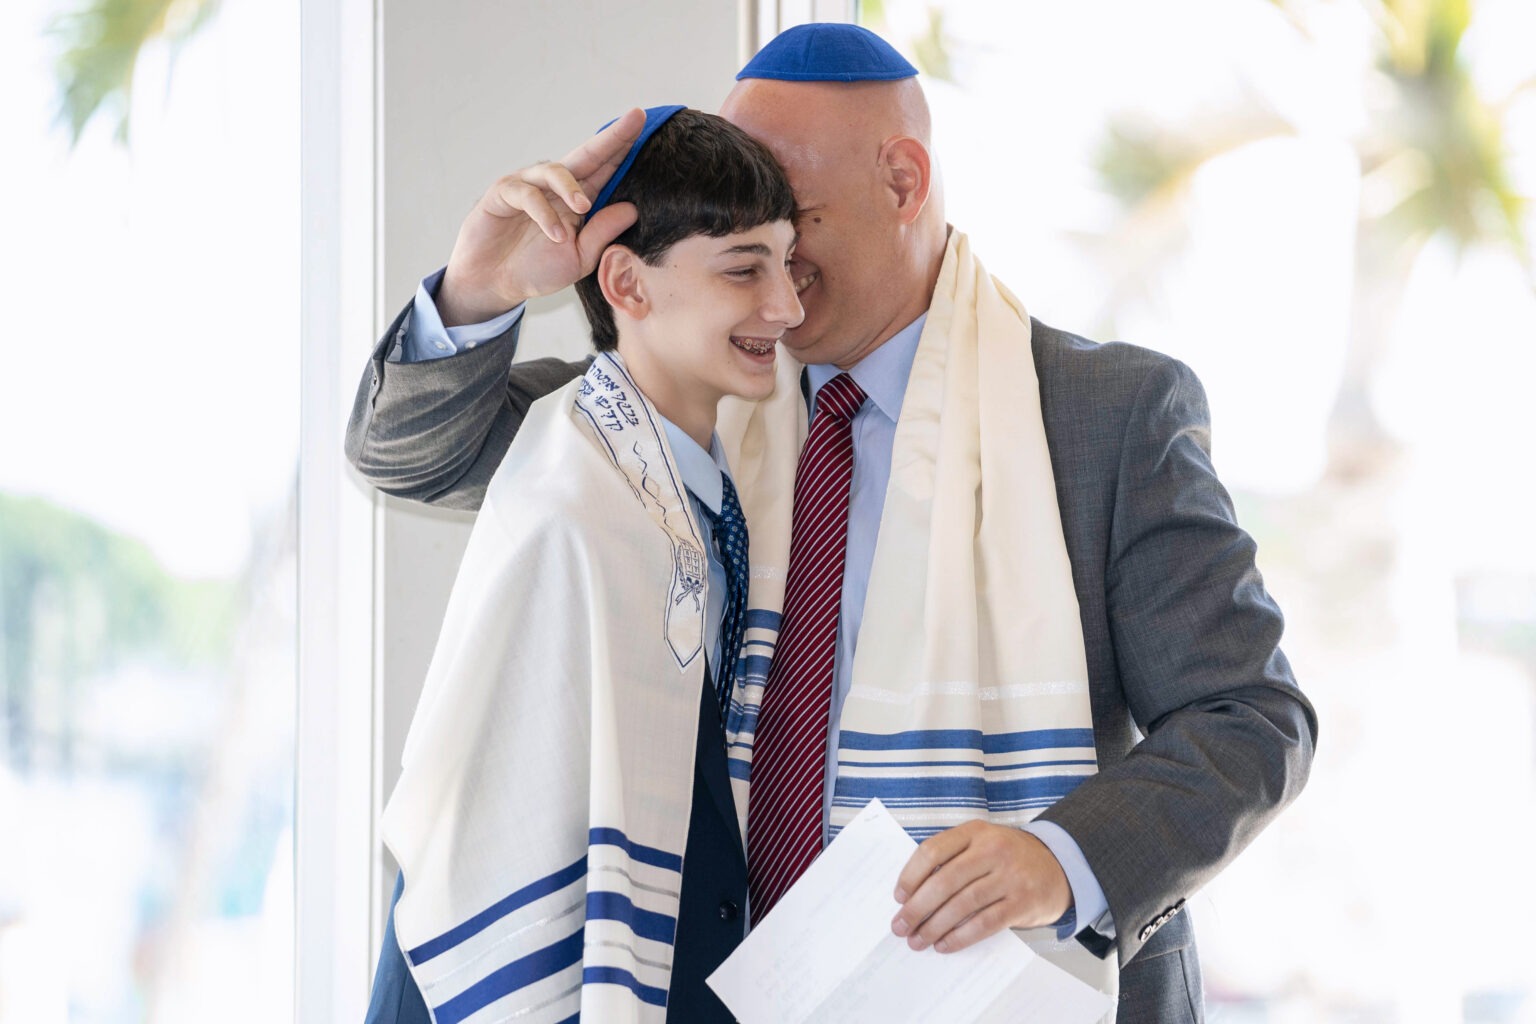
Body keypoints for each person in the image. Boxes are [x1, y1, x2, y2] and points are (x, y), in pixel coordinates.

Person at [348, 24, 1317, 1024]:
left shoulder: (1101, 414)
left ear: (902, 182)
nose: (777, 275)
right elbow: (405, 454)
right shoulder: (670, 403)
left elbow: (1251, 718)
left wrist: (1057, 860)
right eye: (743, 240)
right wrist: (485, 286)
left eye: (792, 220)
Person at [362, 106, 802, 1024]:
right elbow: (398, 450)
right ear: (627, 285)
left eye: (787, 263)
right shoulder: (562, 474)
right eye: (744, 269)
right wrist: (482, 286)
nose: (786, 307)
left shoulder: (752, 457)